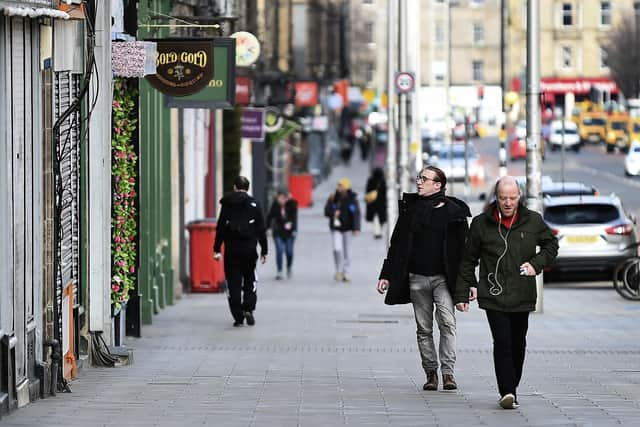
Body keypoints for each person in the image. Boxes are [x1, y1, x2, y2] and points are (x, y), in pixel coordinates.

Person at [454, 176, 558, 409]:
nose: (508, 203)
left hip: (522, 294)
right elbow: (468, 260)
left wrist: (535, 264)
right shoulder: (481, 224)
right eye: (503, 198)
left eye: (512, 198)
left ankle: (512, 384)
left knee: (518, 342)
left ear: (519, 197)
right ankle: (507, 391)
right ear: (496, 198)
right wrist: (462, 292)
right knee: (502, 342)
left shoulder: (533, 221)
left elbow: (552, 245)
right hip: (493, 293)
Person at [376, 166, 471, 391]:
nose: (419, 182)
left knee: (447, 323)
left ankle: (448, 373)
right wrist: (386, 275)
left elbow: (465, 252)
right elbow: (397, 244)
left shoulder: (454, 213)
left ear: (437, 185)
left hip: (443, 280)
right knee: (423, 328)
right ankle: (431, 373)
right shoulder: (411, 211)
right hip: (417, 278)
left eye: (424, 179)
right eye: (419, 178)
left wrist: (470, 283)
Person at [213, 176, 268, 327]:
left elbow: (221, 228)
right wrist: (264, 250)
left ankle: (238, 316)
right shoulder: (255, 205)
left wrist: (217, 249)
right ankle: (249, 308)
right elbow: (261, 229)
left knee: (233, 283)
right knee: (250, 279)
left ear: (235, 187)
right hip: (249, 250)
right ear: (248, 188)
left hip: (232, 250)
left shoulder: (227, 204)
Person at [324, 178, 361, 282]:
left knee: (347, 251)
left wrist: (356, 228)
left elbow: (356, 214)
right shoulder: (333, 198)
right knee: (337, 249)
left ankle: (346, 272)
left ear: (346, 187)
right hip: (336, 228)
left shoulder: (352, 199)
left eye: (341, 186)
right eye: (338, 185)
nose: (338, 187)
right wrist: (333, 213)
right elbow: (326, 211)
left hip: (348, 229)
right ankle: (338, 270)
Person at [266, 190, 298, 280]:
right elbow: (269, 216)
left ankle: (289, 267)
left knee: (289, 251)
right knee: (279, 250)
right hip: (278, 232)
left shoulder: (292, 205)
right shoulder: (275, 205)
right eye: (280, 198)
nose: (282, 200)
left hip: (289, 233)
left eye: (284, 198)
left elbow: (295, 217)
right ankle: (279, 271)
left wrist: (294, 229)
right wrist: (268, 228)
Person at [364, 167, 387, 239]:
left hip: (373, 203)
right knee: (381, 219)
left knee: (375, 219)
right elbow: (385, 193)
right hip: (381, 203)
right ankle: (379, 232)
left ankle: (377, 232)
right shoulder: (383, 181)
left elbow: (367, 191)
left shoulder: (370, 180)